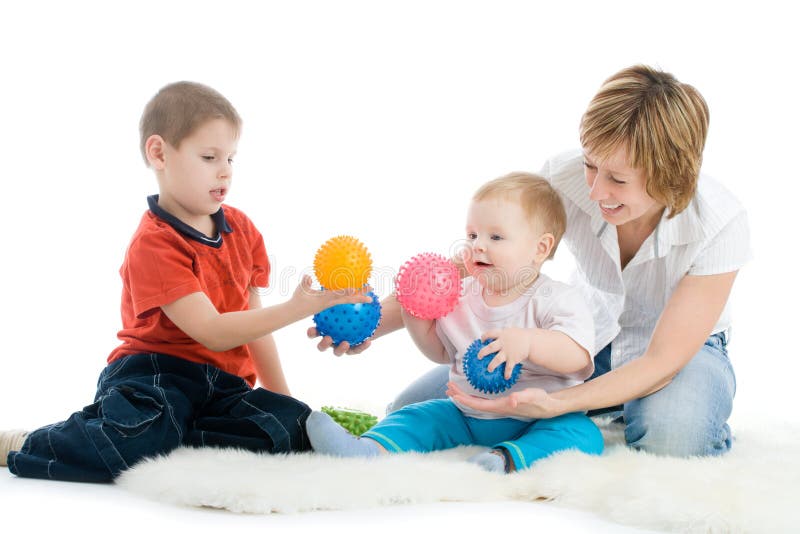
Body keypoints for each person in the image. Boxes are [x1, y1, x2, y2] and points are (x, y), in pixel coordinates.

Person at [310, 64, 751, 458]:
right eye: (591, 165)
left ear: (671, 175)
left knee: (674, 440)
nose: (596, 191)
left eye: (618, 179)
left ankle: (619, 412)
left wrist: (555, 403)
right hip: (580, 338)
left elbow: (660, 362)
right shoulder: (561, 178)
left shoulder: (719, 222)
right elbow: (483, 258)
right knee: (418, 410)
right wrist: (370, 324)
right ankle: (600, 408)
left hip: (679, 354)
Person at [0, 81, 370, 482]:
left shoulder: (241, 230)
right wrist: (298, 309)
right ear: (159, 153)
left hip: (223, 388)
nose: (225, 170)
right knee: (140, 434)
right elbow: (211, 332)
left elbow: (254, 328)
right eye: (209, 156)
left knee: (287, 431)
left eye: (231, 157)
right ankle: (29, 443)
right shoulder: (155, 244)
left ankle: (179, 438)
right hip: (155, 376)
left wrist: (285, 402)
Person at [305, 174, 604, 473]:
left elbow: (576, 355)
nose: (478, 246)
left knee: (583, 434)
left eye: (495, 237)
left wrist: (528, 342)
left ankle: (504, 460)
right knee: (416, 417)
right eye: (473, 235)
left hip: (539, 417)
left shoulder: (557, 298)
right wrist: (415, 314)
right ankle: (366, 449)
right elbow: (442, 353)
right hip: (467, 414)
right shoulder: (462, 295)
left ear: (540, 248)